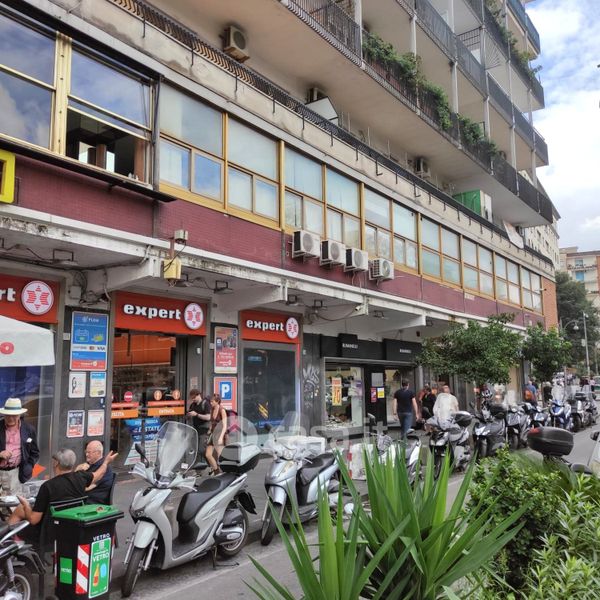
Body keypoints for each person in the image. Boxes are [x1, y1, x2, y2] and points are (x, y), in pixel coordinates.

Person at [9, 448, 117, 543]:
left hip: (47, 533)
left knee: (20, 509)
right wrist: (106, 462)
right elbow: (99, 474)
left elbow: (34, 520)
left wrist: (25, 504)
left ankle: (8, 541)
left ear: (56, 463)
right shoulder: (81, 477)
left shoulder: (47, 486)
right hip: (72, 526)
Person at [0, 398, 39, 496]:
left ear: (19, 415)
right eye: (8, 415)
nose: (10, 418)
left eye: (14, 416)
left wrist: (29, 467)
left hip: (17, 473)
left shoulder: (29, 429)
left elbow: (35, 452)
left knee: (14, 502)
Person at [75, 440, 113, 505]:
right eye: (86, 452)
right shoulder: (88, 465)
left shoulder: (104, 468)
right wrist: (77, 469)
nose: (86, 454)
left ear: (98, 453)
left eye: (89, 452)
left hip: (91, 501)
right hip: (83, 498)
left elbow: (86, 488)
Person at [205, 394, 228, 475]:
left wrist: (221, 438)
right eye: (210, 401)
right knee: (208, 455)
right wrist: (209, 430)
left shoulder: (222, 410)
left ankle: (223, 473)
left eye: (212, 401)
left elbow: (225, 426)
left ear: (217, 401)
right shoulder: (212, 409)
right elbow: (212, 422)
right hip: (213, 434)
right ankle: (216, 470)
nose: (210, 403)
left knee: (219, 456)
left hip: (220, 434)